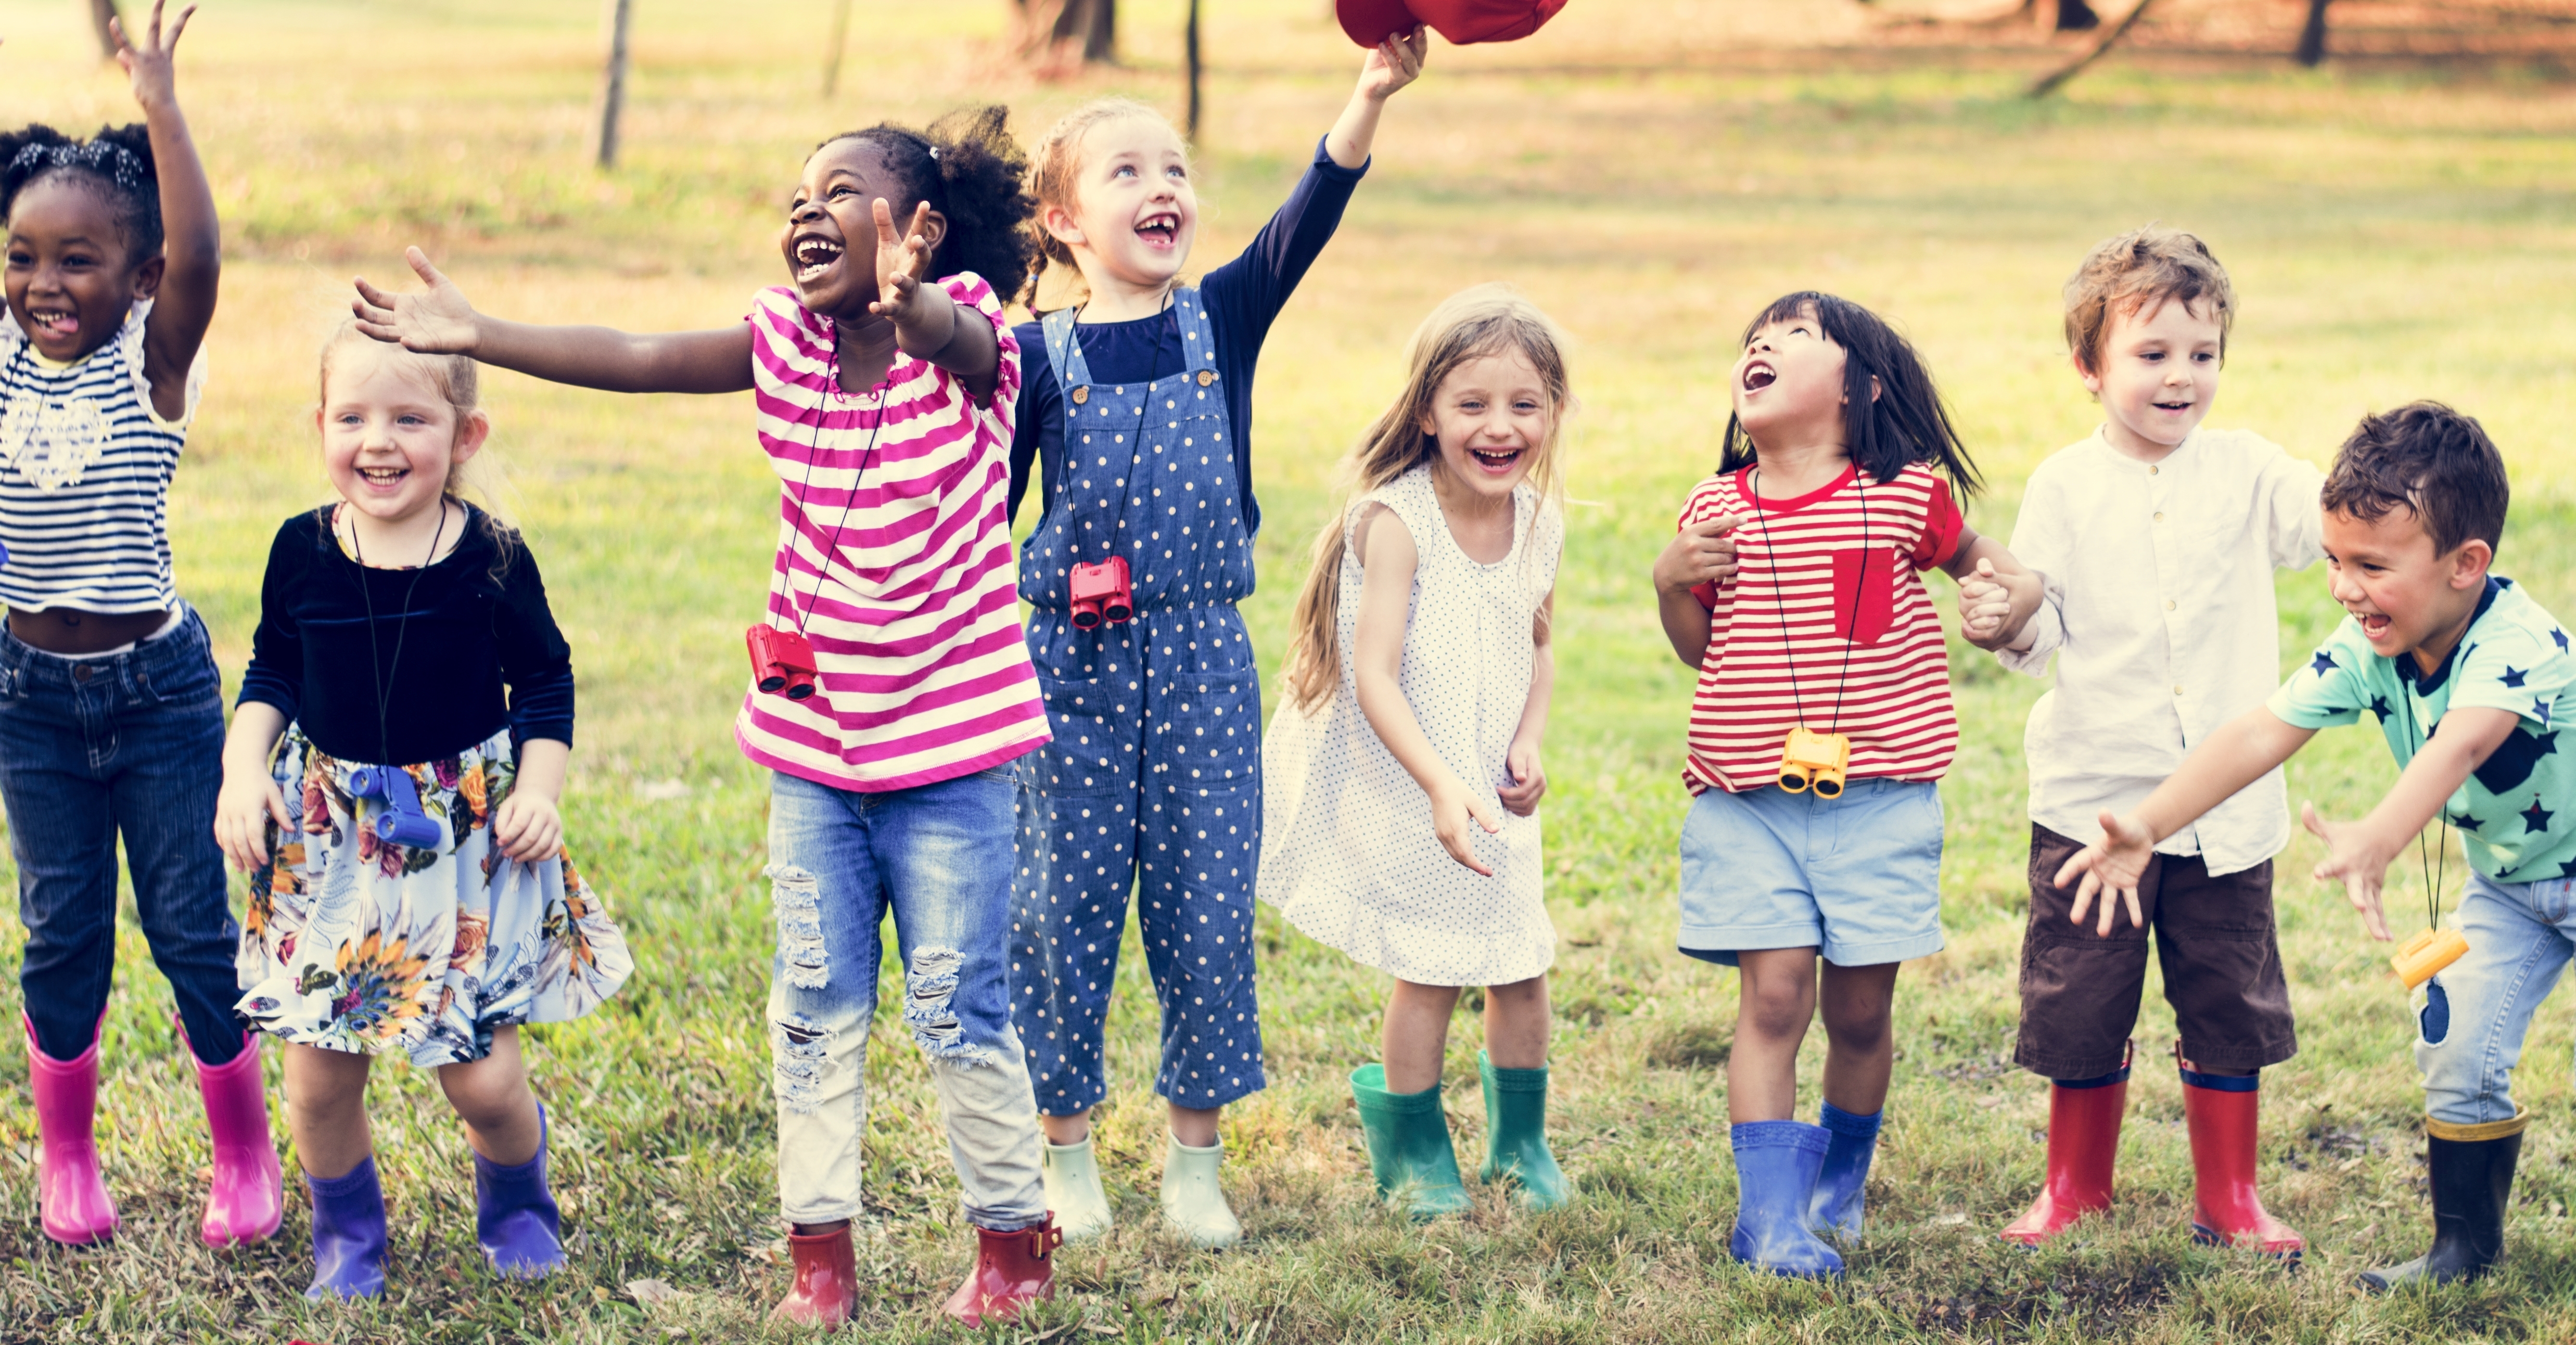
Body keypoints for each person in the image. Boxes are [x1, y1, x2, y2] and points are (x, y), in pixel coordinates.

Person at [348, 108, 1063, 1328]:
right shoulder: (784, 342)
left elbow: (952, 336)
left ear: (920, 229)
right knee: (811, 1004)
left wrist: (917, 305)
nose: (802, 210)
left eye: (838, 191)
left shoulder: (976, 350)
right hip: (818, 766)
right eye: (795, 192)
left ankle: (1012, 1247)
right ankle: (819, 1261)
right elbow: (634, 350)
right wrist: (485, 336)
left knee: (958, 1008)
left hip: (952, 766)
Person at [1001, 29, 1428, 1248]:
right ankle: (1065, 1154)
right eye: (1127, 172)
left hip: (1197, 664)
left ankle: (1195, 1166)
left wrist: (1369, 93)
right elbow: (983, 513)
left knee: (1199, 907)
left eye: (1175, 168)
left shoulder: (1223, 321)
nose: (1163, 187)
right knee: (1055, 907)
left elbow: (1312, 214)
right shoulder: (1035, 360)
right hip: (1066, 672)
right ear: (1066, 220)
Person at [2057, 402, 2569, 1291]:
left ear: (2465, 566)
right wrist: (2149, 820)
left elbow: (2464, 743)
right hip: (2510, 887)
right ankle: (2462, 1252)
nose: (2343, 586)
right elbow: (2258, 732)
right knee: (2455, 1049)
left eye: (2371, 566)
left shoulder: (2516, 645)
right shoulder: (2370, 646)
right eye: (2334, 560)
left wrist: (2381, 831)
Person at [217, 325, 632, 1298]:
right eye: (353, 417)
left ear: (467, 433)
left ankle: (519, 1205)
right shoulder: (303, 549)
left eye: (411, 417)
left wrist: (539, 788)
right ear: (320, 425)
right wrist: (245, 769)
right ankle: (349, 1235)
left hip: (464, 843)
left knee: (482, 1080)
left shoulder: (490, 555)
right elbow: (272, 668)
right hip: (333, 843)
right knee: (318, 1081)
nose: (380, 441)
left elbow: (545, 679)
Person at [1648, 292, 2040, 1277]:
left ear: (1859, 386)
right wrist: (1668, 581)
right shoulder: (1713, 508)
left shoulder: (1908, 494)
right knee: (1773, 1000)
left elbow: (1988, 567)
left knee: (1860, 1012)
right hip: (1747, 801)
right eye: (1751, 340)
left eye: (1791, 336)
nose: (1759, 348)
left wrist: (2009, 598)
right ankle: (1768, 1219)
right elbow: (1702, 649)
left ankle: (1839, 1183)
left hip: (1879, 801)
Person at [1961, 227, 2322, 1255]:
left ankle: (2232, 1196)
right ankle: (2076, 1187)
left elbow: (2326, 522)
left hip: (2225, 812)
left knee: (2228, 1000)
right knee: (2083, 999)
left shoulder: (2252, 472)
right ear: (2091, 366)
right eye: (2153, 355)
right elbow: (2034, 633)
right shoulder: (2065, 488)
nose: (2182, 377)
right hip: (2092, 802)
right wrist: (2008, 615)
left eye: (2202, 355)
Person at [0, 2, 284, 1251]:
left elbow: (209, 257)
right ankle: (69, 1162)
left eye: (78, 261)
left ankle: (245, 1156)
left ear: (141, 278)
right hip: (30, 702)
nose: (44, 284)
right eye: (22, 257)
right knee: (62, 929)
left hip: (161, 696)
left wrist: (160, 101)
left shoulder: (150, 363)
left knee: (188, 926)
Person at [1261, 285, 1571, 1220]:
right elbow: (1375, 676)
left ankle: (1521, 1143)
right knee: (1431, 966)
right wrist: (1440, 782)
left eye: (1524, 404)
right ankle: (1413, 1147)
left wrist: (1526, 741)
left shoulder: (1539, 522)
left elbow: (1539, 644)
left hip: (1492, 785)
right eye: (1472, 403)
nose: (1499, 426)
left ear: (1553, 411)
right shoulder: (1397, 522)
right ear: (1428, 410)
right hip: (1412, 779)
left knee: (1521, 961)